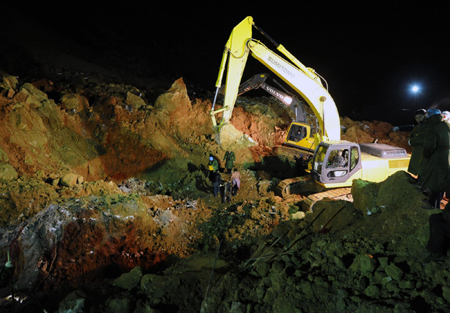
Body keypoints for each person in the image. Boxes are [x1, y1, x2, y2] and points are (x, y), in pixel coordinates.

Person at [421, 109, 450, 209]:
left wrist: (426, 155)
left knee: (435, 180)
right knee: (441, 180)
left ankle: (432, 204)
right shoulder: (444, 125)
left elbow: (429, 145)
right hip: (446, 156)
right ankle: (434, 203)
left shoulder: (433, 128)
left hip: (437, 157)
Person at [408, 109, 428, 181]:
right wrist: (410, 140)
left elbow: (423, 139)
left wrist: (412, 141)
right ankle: (419, 181)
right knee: (419, 168)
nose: (418, 119)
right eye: (416, 117)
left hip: (423, 151)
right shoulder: (418, 126)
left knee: (422, 168)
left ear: (425, 116)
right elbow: (411, 135)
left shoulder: (427, 126)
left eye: (420, 117)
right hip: (418, 150)